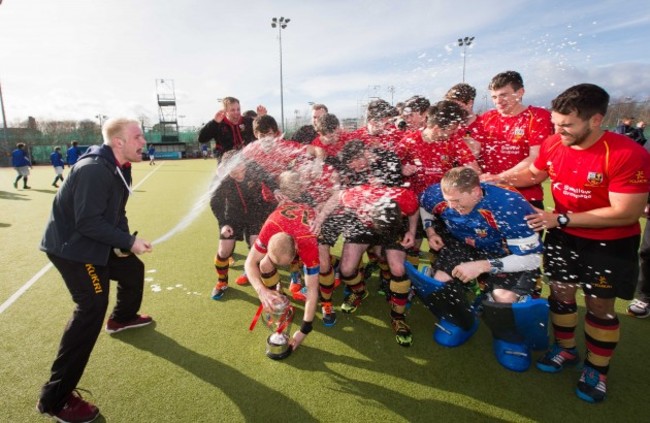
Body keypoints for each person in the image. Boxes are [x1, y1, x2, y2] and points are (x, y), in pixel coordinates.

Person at [513, 83, 650, 403]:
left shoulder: (628, 153)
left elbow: (625, 213)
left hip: (609, 242)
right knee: (560, 293)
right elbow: (533, 174)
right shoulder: (552, 142)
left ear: (596, 120)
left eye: (567, 125)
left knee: (600, 305)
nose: (558, 131)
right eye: (555, 123)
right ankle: (565, 350)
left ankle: (596, 368)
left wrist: (560, 219)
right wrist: (497, 178)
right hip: (564, 234)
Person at [36, 118, 154, 422]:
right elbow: (86, 222)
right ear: (118, 142)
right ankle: (55, 399)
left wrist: (123, 243)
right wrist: (128, 240)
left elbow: (116, 212)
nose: (144, 141)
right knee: (91, 307)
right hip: (73, 249)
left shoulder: (120, 166)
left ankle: (122, 319)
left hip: (94, 240)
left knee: (131, 270)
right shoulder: (93, 171)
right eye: (138, 136)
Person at [419, 167, 544, 370]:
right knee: (439, 281)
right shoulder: (437, 194)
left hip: (503, 251)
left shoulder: (509, 204)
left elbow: (531, 260)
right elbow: (425, 204)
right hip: (463, 243)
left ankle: (508, 338)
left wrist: (483, 266)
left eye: (457, 201)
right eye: (448, 200)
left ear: (477, 192)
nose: (450, 206)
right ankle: (460, 321)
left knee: (503, 296)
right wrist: (430, 230)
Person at [244, 171, 321, 352]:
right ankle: (275, 294)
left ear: (296, 249)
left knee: (323, 265)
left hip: (311, 220)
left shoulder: (308, 241)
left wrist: (304, 330)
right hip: (284, 216)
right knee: (263, 264)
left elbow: (312, 291)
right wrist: (261, 290)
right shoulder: (271, 225)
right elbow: (249, 263)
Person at [209, 150, 278, 300]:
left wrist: (276, 189)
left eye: (242, 170)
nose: (240, 175)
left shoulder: (253, 167)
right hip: (232, 216)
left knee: (257, 247)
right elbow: (215, 202)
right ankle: (222, 282)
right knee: (223, 250)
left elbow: (269, 178)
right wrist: (223, 223)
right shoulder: (221, 180)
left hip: (255, 214)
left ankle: (263, 282)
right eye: (235, 173)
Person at [479, 70, 553, 209]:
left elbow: (536, 157)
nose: (498, 101)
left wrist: (499, 178)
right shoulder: (487, 118)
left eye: (503, 95)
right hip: (487, 196)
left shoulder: (537, 116)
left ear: (520, 92)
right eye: (494, 97)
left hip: (523, 197)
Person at [198, 97, 266, 160]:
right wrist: (214, 122)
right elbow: (202, 138)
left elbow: (263, 133)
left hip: (247, 163)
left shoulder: (247, 121)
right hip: (226, 165)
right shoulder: (219, 124)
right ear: (225, 111)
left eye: (238, 109)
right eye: (232, 110)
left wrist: (261, 119)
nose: (236, 112)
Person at [445, 82, 485, 158]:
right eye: (450, 106)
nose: (454, 110)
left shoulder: (482, 125)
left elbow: (473, 154)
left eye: (457, 106)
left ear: (470, 103)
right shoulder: (450, 125)